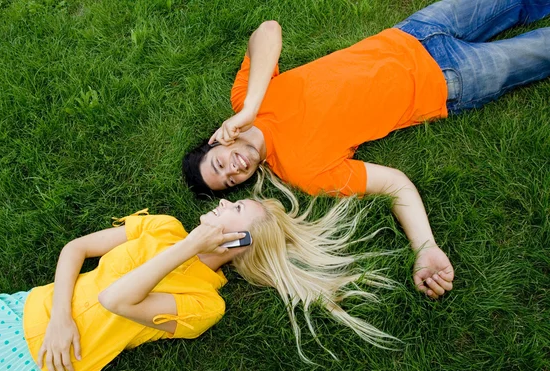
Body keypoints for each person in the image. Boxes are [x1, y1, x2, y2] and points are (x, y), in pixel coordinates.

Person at [182, 0, 550, 299]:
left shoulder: (247, 99)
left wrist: (250, 109)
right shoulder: (303, 173)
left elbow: (268, 30)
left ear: (218, 140)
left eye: (219, 165)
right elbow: (395, 185)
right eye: (229, 183)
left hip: (412, 32)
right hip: (449, 79)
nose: (233, 172)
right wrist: (425, 247)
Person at [0, 194, 395, 371]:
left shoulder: (206, 307)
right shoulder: (162, 226)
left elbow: (115, 301)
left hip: (42, 364)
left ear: (239, 243)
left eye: (233, 211)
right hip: (18, 313)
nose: (222, 206)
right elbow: (77, 249)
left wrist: (191, 248)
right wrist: (60, 318)